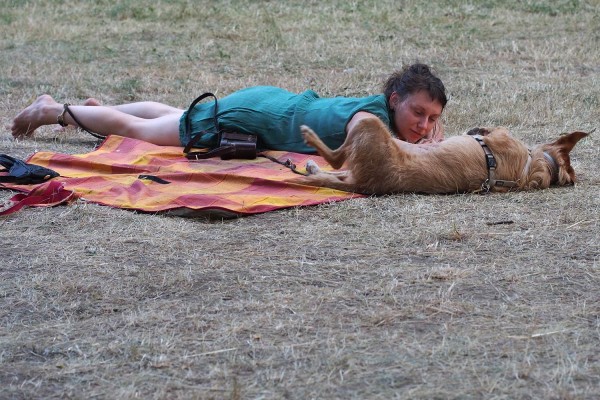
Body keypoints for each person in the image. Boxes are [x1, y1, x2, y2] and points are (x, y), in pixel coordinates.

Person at [10, 63, 447, 153]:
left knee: (179, 114)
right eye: (418, 115)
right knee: (141, 130)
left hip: (271, 102)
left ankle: (96, 108)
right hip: (254, 115)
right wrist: (424, 152)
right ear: (394, 101)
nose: (425, 126)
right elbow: (364, 143)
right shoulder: (371, 119)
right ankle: (52, 111)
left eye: (432, 119)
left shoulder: (382, 111)